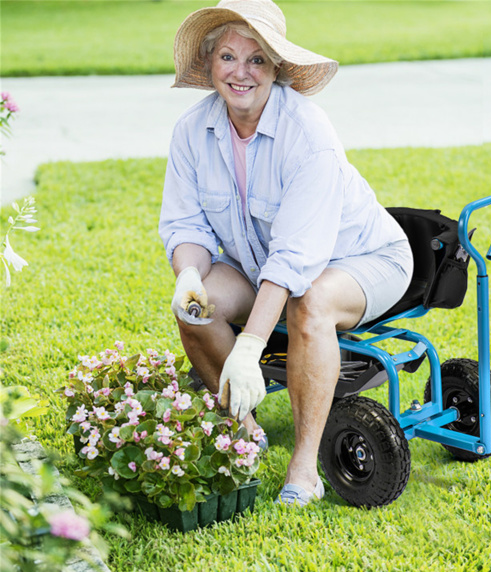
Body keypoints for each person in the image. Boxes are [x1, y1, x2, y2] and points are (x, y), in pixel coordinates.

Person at [159, 0, 413, 507]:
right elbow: (186, 224)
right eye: (227, 56)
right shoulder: (192, 131)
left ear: (276, 69)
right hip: (262, 264)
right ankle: (246, 434)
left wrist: (251, 346)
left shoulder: (308, 133)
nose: (240, 72)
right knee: (194, 305)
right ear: (209, 63)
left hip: (366, 259)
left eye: (256, 60)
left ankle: (304, 471)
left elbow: (295, 261)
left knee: (310, 302)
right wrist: (188, 274)